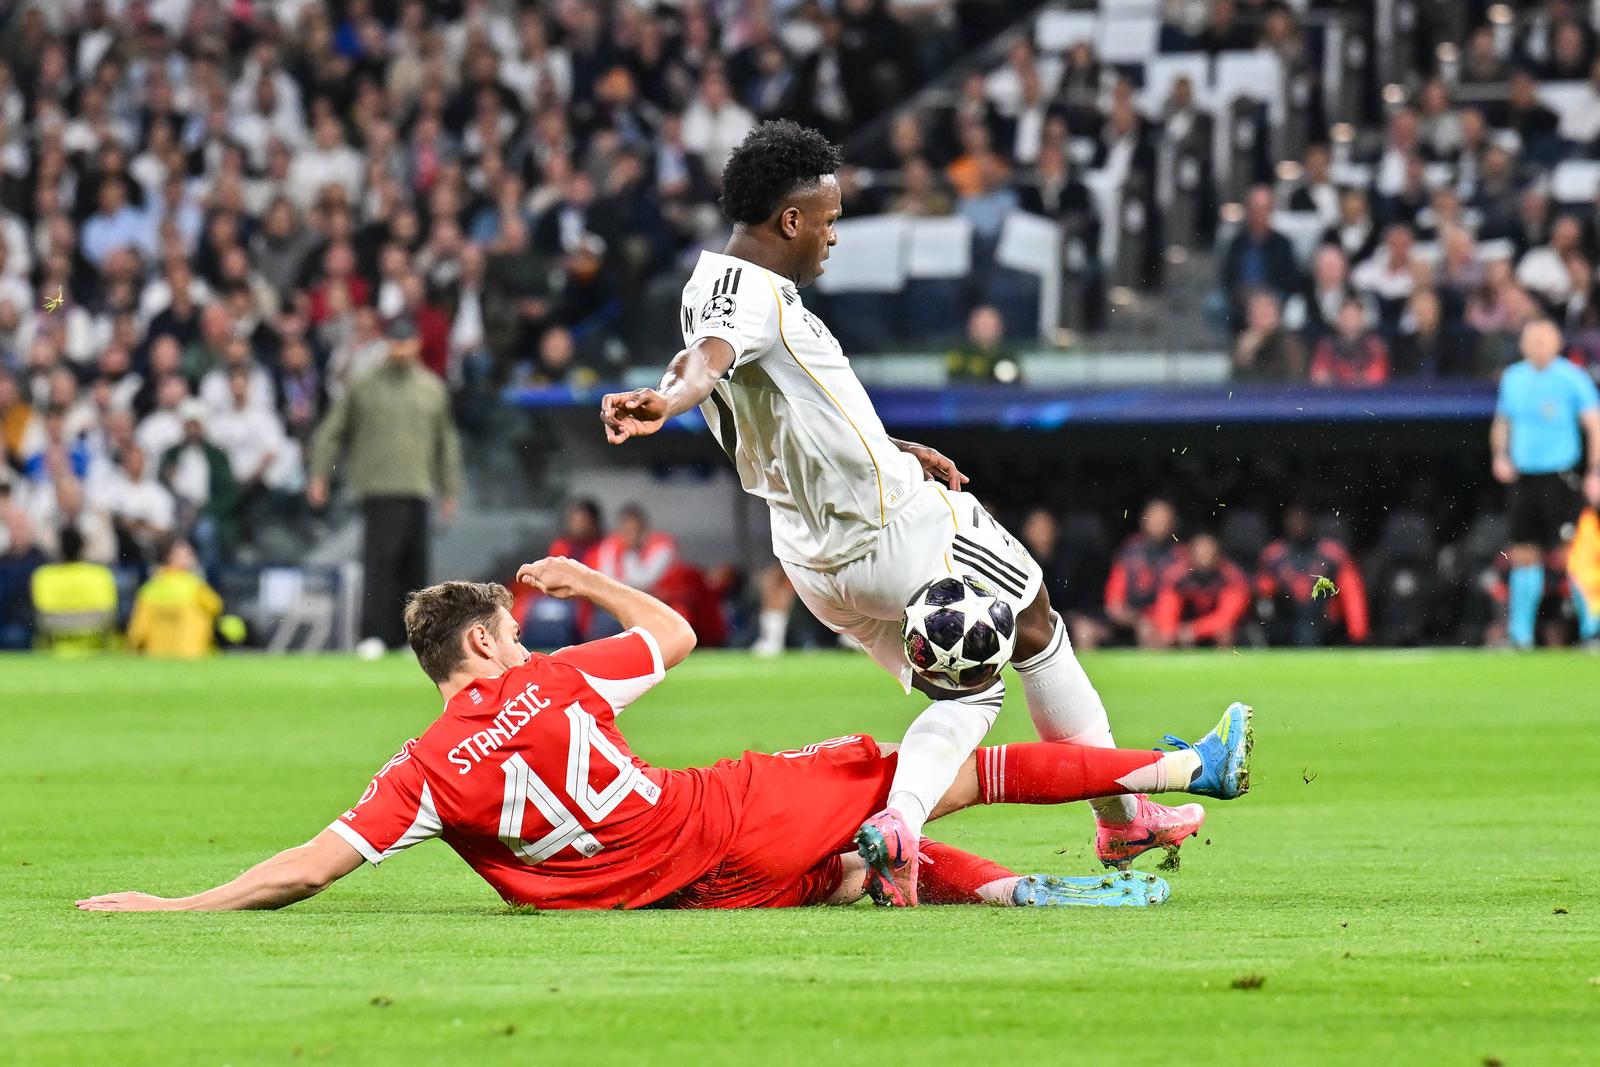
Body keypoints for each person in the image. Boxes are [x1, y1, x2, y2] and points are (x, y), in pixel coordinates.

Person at [599, 121, 1207, 906]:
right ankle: (1118, 818)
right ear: (790, 220)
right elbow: (703, 363)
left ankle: (902, 830)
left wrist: (889, 443)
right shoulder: (749, 296)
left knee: (964, 688)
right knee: (1032, 624)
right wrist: (670, 398)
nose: (833, 236)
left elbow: (757, 389)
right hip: (892, 528)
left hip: (814, 556)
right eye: (829, 219)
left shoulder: (712, 283)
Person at [75, 555, 1254, 914]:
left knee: (847, 867)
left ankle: (1009, 897)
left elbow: (307, 867)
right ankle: (1179, 767)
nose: (523, 636)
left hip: (675, 894)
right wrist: (586, 577)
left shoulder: (421, 774)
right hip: (713, 813)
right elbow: (678, 632)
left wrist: (175, 909)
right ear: (481, 645)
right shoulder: (563, 674)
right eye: (511, 623)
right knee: (934, 771)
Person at [308, 317, 463, 652]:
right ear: (386, 344)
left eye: (406, 341)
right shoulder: (364, 385)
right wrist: (320, 473)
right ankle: (374, 635)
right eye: (395, 342)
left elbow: (445, 443)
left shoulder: (432, 388)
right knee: (379, 568)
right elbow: (333, 431)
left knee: (415, 568)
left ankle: (414, 640)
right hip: (378, 489)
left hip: (418, 488)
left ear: (417, 343)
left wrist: (450, 488)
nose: (400, 349)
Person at [1491, 319, 1600, 648]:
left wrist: (1595, 471)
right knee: (1524, 554)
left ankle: (1591, 630)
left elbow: (1595, 424)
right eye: (1531, 340)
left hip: (1560, 476)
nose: (1537, 346)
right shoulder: (1513, 378)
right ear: (1522, 344)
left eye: (1543, 340)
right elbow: (1502, 420)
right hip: (1526, 478)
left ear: (1556, 343)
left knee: (1573, 554)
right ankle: (1520, 635)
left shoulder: (1572, 377)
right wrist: (1500, 454)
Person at [1256, 505, 1369, 647]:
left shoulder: (1332, 554)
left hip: (1323, 626)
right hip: (1287, 626)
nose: (1298, 524)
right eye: (1294, 519)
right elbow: (1263, 594)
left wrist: (1358, 633)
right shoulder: (1274, 555)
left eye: (1302, 519)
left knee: (1308, 631)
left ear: (1311, 521)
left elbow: (1352, 594)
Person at [1149, 533, 1251, 648]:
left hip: (1214, 629)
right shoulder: (1177, 577)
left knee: (1225, 633)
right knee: (1161, 633)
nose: (1205, 559)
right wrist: (1172, 631)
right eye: (1200, 554)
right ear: (1190, 555)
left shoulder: (1231, 577)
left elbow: (1227, 617)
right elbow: (1166, 610)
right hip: (1182, 627)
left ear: (1218, 555)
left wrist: (1194, 630)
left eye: (1209, 554)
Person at [29, 526, 117, 653]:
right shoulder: (100, 575)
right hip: (96, 649)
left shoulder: (43, 576)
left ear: (59, 548)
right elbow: (109, 615)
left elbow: (40, 615)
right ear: (83, 546)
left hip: (54, 650)